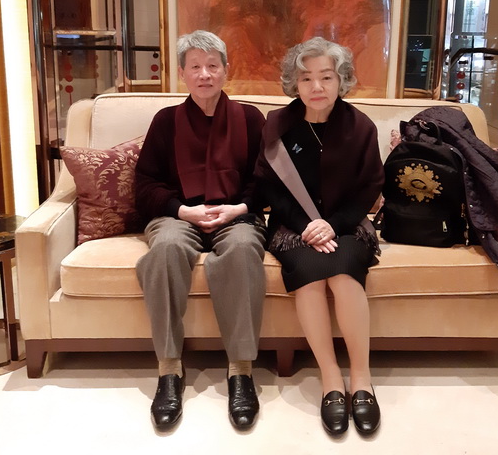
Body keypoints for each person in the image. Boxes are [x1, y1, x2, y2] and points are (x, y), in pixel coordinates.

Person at [134, 30, 267, 430]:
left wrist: (238, 208)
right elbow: (145, 185)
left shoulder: (250, 119)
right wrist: (183, 211)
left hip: (236, 213)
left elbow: (267, 180)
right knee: (165, 250)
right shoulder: (166, 122)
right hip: (179, 215)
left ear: (226, 70)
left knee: (242, 249)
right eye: (195, 66)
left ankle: (240, 370)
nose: (204, 74)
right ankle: (169, 369)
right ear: (182, 73)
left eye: (212, 65)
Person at [255, 37, 384, 436]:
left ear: (341, 79)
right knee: (310, 276)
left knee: (343, 274)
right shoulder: (278, 125)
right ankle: (330, 379)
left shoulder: (360, 127)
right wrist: (307, 225)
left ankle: (361, 378)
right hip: (293, 225)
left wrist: (334, 223)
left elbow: (370, 186)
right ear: (294, 83)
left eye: (326, 77)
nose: (316, 86)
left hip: (347, 223)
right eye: (306, 78)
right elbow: (269, 186)